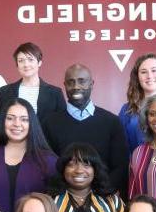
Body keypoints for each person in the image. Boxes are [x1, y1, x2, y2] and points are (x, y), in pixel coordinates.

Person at [42, 64, 129, 197]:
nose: (76, 86)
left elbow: (120, 166)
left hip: (102, 200)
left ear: (92, 84)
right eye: (71, 82)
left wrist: (101, 194)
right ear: (64, 85)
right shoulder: (50, 123)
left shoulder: (111, 121)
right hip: (62, 202)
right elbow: (48, 166)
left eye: (82, 81)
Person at [0, 98, 57, 212]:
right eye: (10, 118)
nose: (17, 124)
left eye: (24, 119)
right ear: (3, 122)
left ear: (32, 123)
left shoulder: (48, 161)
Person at [0, 42, 65, 124]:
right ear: (17, 65)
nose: (26, 64)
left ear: (39, 63)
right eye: (21, 61)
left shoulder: (55, 93)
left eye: (30, 59)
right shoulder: (5, 91)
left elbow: (62, 123)